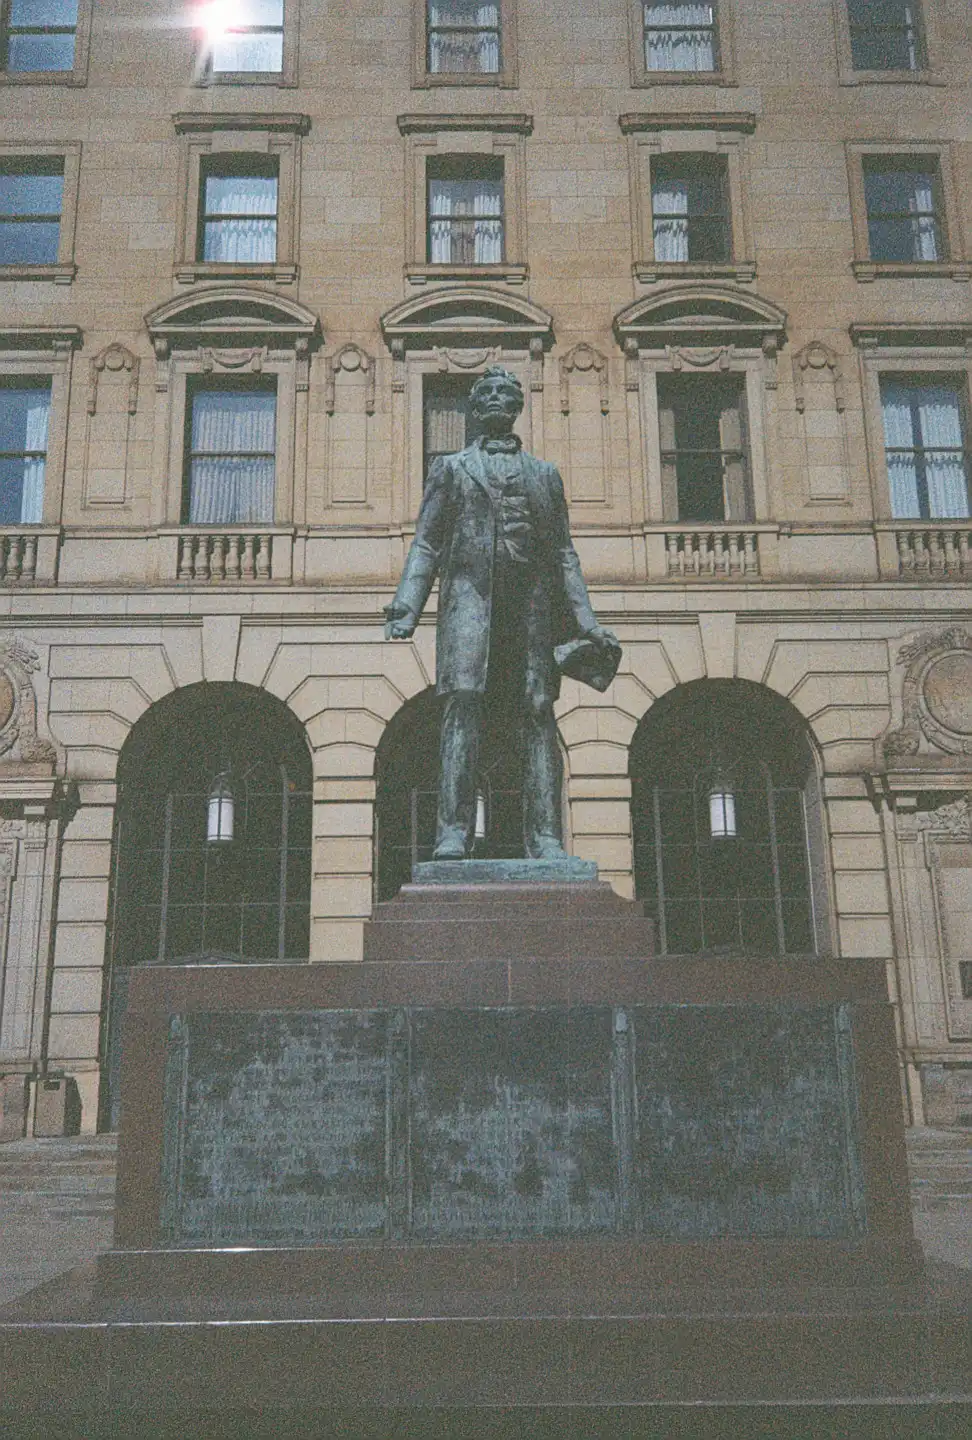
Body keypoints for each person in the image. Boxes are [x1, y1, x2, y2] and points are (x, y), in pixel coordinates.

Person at [384, 366, 619, 861]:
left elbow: (563, 553)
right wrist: (407, 607)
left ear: (516, 406)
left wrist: (587, 622)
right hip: (469, 603)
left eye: (504, 393)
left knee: (537, 709)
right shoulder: (451, 469)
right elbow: (427, 542)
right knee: (463, 705)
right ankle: (453, 832)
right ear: (473, 407)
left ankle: (546, 837)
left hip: (532, 608)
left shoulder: (544, 475)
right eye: (485, 393)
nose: (494, 399)